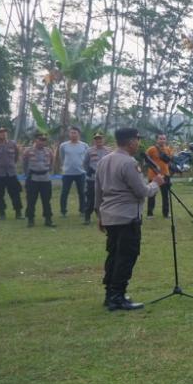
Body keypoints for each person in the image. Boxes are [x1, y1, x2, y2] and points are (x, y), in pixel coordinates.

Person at [94, 127, 165, 310]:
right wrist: (155, 184)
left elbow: (98, 192)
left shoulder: (104, 160)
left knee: (114, 255)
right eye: (137, 140)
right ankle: (117, 297)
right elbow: (142, 191)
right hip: (127, 217)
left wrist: (100, 215)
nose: (139, 144)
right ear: (131, 141)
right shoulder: (128, 162)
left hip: (110, 216)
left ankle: (110, 293)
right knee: (126, 257)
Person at [22, 133, 56, 228]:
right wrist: (27, 174)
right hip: (33, 178)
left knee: (46, 200)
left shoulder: (49, 151)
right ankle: (30, 219)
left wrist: (48, 171)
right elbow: (24, 163)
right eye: (40, 139)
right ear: (35, 140)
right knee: (31, 200)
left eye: (44, 140)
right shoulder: (28, 151)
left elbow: (52, 163)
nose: (42, 142)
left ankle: (48, 219)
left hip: (45, 178)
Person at [57, 125, 89, 217]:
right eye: (71, 133)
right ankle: (63, 211)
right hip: (67, 173)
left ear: (79, 134)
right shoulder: (63, 146)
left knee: (82, 193)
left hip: (81, 173)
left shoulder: (84, 145)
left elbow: (87, 159)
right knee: (64, 192)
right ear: (69, 134)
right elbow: (62, 157)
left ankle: (82, 210)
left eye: (75, 133)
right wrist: (64, 167)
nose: (73, 135)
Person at [82, 132, 111, 225]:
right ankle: (87, 217)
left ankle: (103, 217)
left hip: (105, 179)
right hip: (92, 179)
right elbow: (85, 163)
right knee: (90, 198)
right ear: (94, 140)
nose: (98, 140)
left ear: (103, 139)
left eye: (100, 138)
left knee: (105, 199)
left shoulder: (109, 151)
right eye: (96, 139)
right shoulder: (89, 151)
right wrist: (88, 171)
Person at [145, 133, 173, 218]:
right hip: (153, 176)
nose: (162, 140)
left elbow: (170, 162)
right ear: (157, 140)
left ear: (166, 140)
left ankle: (166, 213)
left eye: (164, 139)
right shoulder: (151, 149)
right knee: (151, 194)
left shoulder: (168, 149)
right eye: (160, 139)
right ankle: (150, 214)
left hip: (165, 175)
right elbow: (146, 159)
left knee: (165, 196)